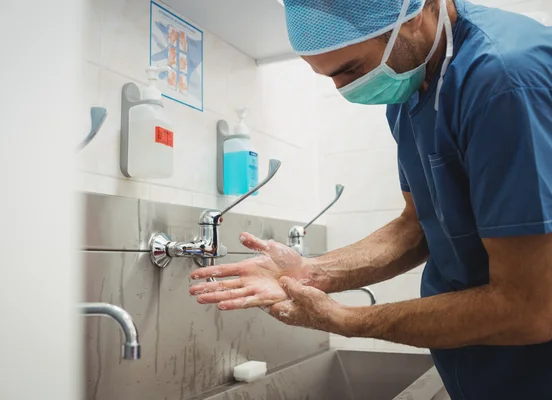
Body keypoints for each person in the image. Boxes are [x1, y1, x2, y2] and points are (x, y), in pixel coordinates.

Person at [190, 0, 552, 398]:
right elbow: (416, 226)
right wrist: (309, 272)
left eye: (350, 69)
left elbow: (529, 306)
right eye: (327, 76)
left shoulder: (505, 80)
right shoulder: (409, 86)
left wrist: (346, 320)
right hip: (480, 368)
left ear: (414, 15)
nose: (344, 89)